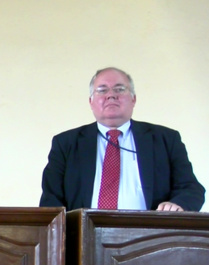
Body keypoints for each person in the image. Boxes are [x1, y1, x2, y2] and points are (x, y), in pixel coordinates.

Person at [39, 67, 205, 211]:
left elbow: (191, 188)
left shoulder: (165, 140)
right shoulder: (66, 143)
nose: (111, 95)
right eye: (102, 90)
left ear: (133, 99)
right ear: (91, 101)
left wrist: (178, 204)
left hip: (150, 238)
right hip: (83, 238)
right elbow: (50, 200)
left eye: (119, 89)